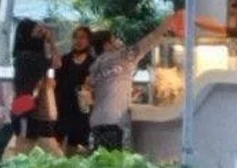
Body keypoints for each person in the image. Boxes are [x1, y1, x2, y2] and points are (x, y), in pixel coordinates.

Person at [88, 12, 181, 151]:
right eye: (115, 39)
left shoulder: (94, 66)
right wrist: (168, 22)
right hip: (115, 121)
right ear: (107, 45)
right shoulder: (124, 57)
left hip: (96, 120)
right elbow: (150, 40)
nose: (119, 41)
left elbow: (105, 90)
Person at [4, 18, 64, 159]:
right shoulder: (31, 57)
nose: (41, 33)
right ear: (28, 33)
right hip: (26, 107)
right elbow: (58, 63)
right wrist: (51, 41)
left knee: (26, 148)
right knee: (23, 149)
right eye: (37, 30)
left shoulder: (21, 56)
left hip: (23, 106)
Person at [56, 25, 94, 155]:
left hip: (81, 110)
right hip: (62, 107)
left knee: (77, 147)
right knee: (57, 144)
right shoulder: (64, 59)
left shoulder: (93, 62)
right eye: (75, 37)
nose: (78, 40)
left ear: (89, 40)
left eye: (82, 37)